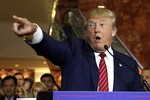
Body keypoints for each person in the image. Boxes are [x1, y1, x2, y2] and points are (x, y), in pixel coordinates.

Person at [12, 8, 145, 91]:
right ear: (87, 31)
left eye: (102, 24)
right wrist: (34, 32)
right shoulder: (73, 50)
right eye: (92, 25)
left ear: (114, 31)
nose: (96, 29)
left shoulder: (129, 64)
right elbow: (53, 47)